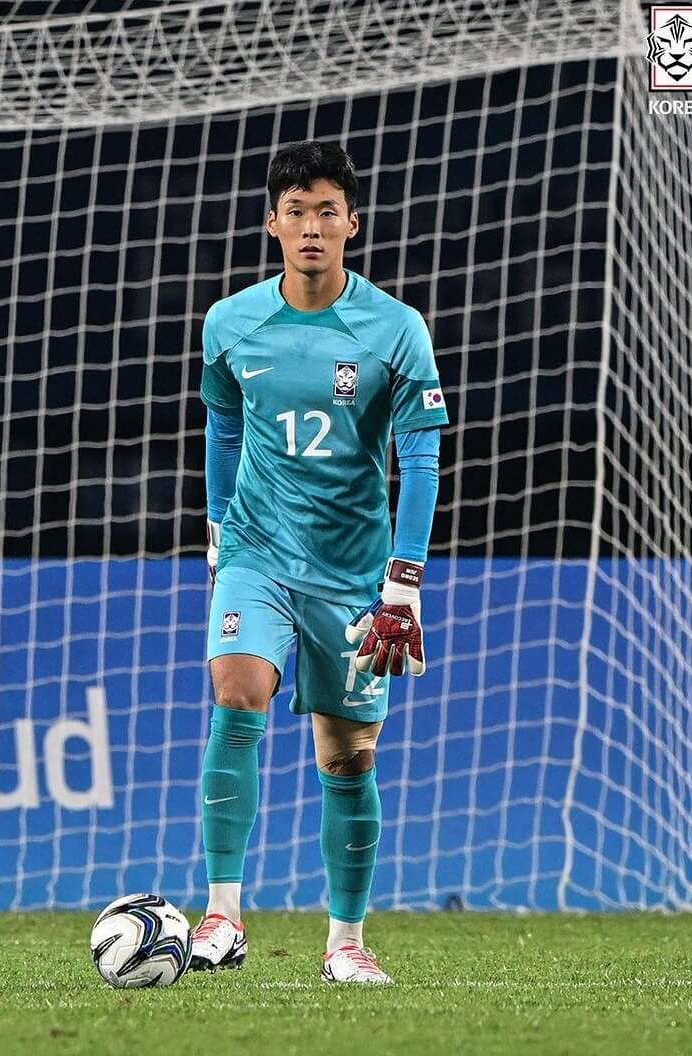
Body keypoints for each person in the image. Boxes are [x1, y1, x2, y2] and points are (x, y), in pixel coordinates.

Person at [191, 140, 448, 984]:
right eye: (295, 211)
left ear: (351, 224)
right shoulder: (229, 322)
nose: (310, 225)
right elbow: (222, 428)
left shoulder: (394, 329)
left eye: (326, 210)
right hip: (258, 553)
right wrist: (219, 528)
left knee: (347, 758)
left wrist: (401, 582)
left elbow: (419, 459)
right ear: (272, 225)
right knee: (237, 690)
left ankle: (345, 940)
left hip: (352, 572)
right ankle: (221, 915)